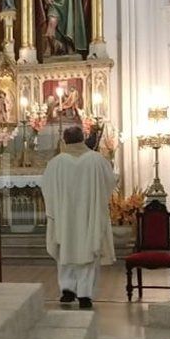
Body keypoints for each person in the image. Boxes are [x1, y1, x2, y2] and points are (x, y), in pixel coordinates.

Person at [40, 125, 116, 309]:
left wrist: (57, 209)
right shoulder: (97, 160)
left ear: (65, 140)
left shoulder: (56, 163)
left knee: (65, 250)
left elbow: (46, 188)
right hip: (89, 216)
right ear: (83, 138)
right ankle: (84, 294)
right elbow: (110, 182)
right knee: (88, 252)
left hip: (64, 217)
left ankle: (67, 290)